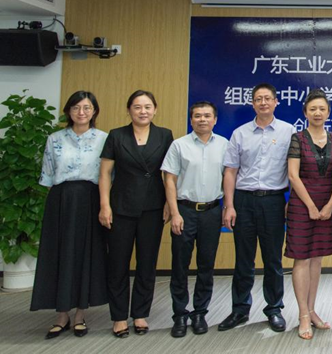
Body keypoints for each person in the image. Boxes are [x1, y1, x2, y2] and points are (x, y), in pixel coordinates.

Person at [31, 91, 108, 339]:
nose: (81, 112)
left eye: (86, 108)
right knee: (60, 254)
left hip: (91, 199)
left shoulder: (104, 139)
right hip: (61, 201)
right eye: (76, 108)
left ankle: (80, 315)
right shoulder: (54, 139)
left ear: (94, 111)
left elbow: (109, 176)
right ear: (68, 111)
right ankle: (61, 315)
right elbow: (48, 176)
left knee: (86, 255)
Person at [219, 83, 295, 333]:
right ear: (252, 104)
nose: (263, 103)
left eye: (267, 98)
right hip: (244, 201)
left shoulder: (288, 131)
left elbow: (295, 171)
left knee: (273, 259)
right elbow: (230, 171)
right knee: (243, 259)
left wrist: (291, 202)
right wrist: (229, 205)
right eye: (258, 99)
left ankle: (274, 309)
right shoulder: (240, 133)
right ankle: (240, 309)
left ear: (276, 102)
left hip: (274, 201)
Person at [98, 90, 174, 338]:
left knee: (147, 263)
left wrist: (169, 203)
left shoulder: (164, 135)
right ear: (129, 110)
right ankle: (119, 316)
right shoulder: (116, 135)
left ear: (155, 109)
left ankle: (140, 314)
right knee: (117, 263)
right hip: (121, 206)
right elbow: (105, 173)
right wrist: (105, 205)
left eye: (147, 107)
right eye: (137, 107)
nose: (143, 111)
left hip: (153, 206)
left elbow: (169, 173)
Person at [161, 101, 228, 338]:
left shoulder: (224, 145)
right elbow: (169, 180)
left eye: (207, 116)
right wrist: (174, 212)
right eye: (197, 116)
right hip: (184, 210)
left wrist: (227, 207)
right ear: (191, 120)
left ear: (215, 120)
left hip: (212, 211)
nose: (202, 119)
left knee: (206, 265)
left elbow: (229, 178)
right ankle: (180, 314)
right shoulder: (179, 145)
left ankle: (200, 313)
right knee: (180, 265)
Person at [285, 90, 332, 340]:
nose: (317, 113)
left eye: (322, 109)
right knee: (302, 259)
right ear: (305, 113)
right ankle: (303, 315)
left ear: (328, 113)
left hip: (328, 203)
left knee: (317, 259)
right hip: (301, 204)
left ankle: (312, 309)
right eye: (312, 109)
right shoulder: (297, 138)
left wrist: (330, 205)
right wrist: (310, 205)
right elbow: (293, 175)